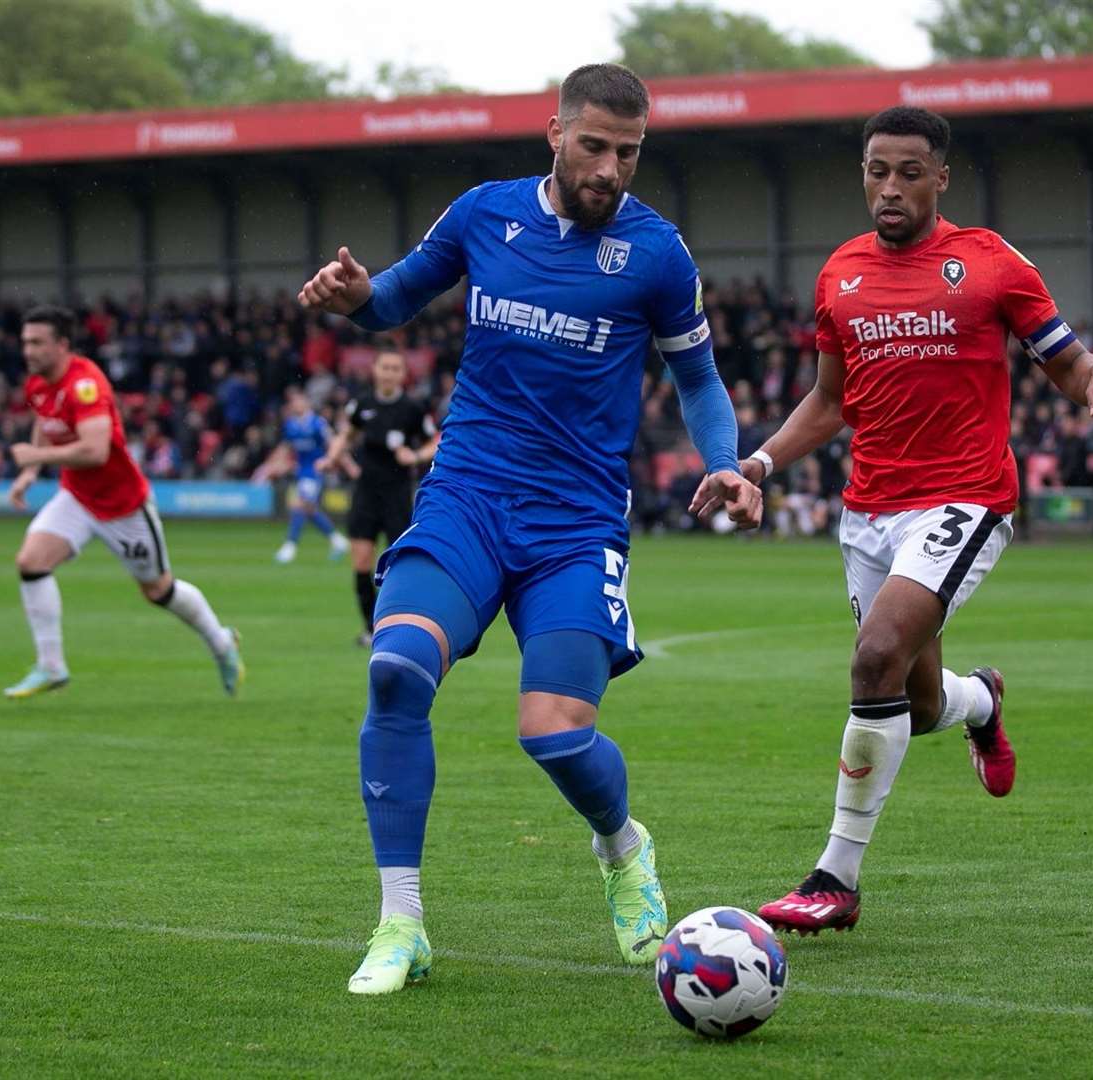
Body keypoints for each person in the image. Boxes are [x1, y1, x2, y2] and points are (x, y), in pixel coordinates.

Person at [296, 63, 762, 994]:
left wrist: (724, 458)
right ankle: (401, 924)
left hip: (575, 522)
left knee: (552, 731)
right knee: (395, 672)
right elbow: (392, 298)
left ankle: (623, 848)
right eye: (594, 146)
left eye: (628, 153)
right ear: (554, 132)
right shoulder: (483, 213)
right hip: (467, 495)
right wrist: (355, 297)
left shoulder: (658, 254)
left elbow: (698, 379)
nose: (610, 169)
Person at [704, 106, 1093, 936]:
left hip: (963, 498)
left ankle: (835, 878)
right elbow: (831, 404)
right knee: (913, 693)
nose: (890, 187)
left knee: (872, 659)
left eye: (909, 171)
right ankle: (980, 703)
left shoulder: (987, 263)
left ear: (941, 177)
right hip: (868, 511)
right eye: (877, 170)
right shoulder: (839, 274)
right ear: (861, 175)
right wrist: (755, 464)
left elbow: (1063, 358)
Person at [3, 305, 245, 698]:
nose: (28, 350)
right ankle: (51, 666)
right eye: (25, 342)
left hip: (123, 506)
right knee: (30, 562)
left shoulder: (87, 384)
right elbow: (45, 421)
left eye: (37, 342)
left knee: (158, 591)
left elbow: (96, 451)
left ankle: (221, 644)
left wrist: (36, 459)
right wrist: (29, 473)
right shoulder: (38, 382)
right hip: (78, 497)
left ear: (62, 345)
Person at [317, 349, 437, 646]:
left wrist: (415, 455)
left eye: (396, 368)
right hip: (366, 492)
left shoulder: (412, 408)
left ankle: (394, 626)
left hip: (396, 493)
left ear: (402, 374)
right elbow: (347, 433)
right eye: (385, 367)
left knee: (397, 567)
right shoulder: (363, 403)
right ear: (375, 370)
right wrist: (333, 456)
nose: (389, 373)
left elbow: (436, 440)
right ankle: (370, 630)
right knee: (361, 562)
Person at [269, 386, 350, 564]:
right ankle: (338, 541)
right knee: (310, 509)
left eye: (298, 401)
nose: (295, 405)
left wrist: (334, 462)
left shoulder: (318, 423)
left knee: (300, 505)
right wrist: (274, 464)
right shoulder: (290, 425)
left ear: (306, 403)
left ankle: (290, 546)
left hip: (315, 470)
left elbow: (332, 443)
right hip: (301, 471)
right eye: (293, 402)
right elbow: (286, 447)